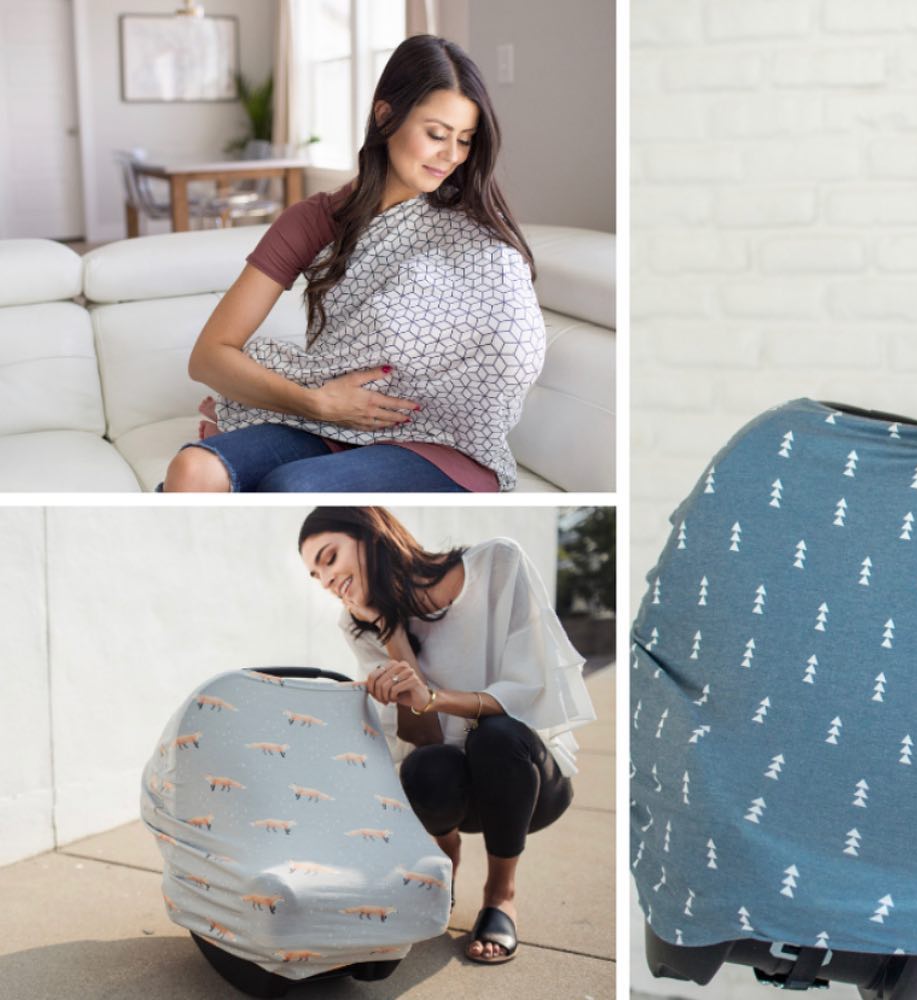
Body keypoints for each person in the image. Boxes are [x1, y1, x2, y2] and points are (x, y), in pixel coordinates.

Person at [162, 35, 544, 493]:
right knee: (192, 470)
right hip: (331, 426)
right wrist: (316, 404)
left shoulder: (477, 228)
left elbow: (514, 346)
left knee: (292, 486)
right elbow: (209, 357)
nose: (452, 156)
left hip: (446, 447)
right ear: (386, 117)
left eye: (465, 140)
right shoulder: (314, 221)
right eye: (437, 135)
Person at [297, 507, 596, 963]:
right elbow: (425, 739)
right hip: (456, 792)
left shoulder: (496, 564)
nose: (326, 580)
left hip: (527, 782)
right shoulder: (359, 624)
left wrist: (432, 695)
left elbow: (528, 695)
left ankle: (501, 894)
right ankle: (444, 854)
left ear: (369, 535)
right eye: (315, 574)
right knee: (424, 768)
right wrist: (390, 630)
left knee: (496, 735)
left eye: (330, 557)